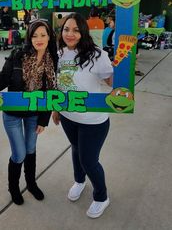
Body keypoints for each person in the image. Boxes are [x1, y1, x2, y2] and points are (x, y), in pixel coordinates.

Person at [0, 20, 58, 205]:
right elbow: (2, 80)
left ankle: (31, 184)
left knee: (30, 149)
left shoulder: (53, 60)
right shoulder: (18, 55)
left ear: (49, 36)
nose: (39, 39)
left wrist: (44, 120)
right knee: (19, 154)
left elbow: (52, 93)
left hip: (34, 114)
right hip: (12, 114)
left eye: (43, 35)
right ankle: (13, 188)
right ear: (29, 37)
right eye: (35, 35)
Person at [52, 12, 113, 219]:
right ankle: (79, 181)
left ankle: (101, 197)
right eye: (66, 29)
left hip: (93, 121)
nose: (70, 34)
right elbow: (59, 84)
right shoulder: (58, 53)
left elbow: (114, 83)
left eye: (76, 30)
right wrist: (56, 108)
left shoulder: (97, 54)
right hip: (69, 117)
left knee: (89, 160)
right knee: (76, 150)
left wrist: (124, 66)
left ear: (83, 32)